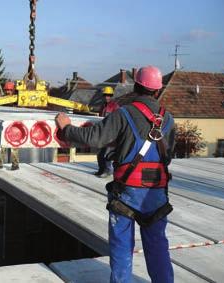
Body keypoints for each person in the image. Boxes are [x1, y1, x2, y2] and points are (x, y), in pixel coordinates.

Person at [55, 66, 175, 283]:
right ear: (158, 91)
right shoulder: (169, 120)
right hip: (156, 193)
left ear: (136, 87)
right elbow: (168, 155)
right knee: (158, 246)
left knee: (122, 248)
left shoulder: (123, 114)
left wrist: (66, 128)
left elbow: (93, 138)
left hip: (127, 192)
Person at [94, 86, 119, 178]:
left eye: (108, 95)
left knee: (107, 153)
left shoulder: (115, 106)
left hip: (111, 133)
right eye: (105, 95)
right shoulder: (103, 106)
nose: (106, 97)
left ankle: (108, 170)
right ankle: (101, 170)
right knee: (100, 153)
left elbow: (117, 120)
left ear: (111, 96)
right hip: (103, 132)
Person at [0, 81, 20, 170]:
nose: (8, 92)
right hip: (5, 126)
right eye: (6, 90)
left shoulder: (17, 100)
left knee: (14, 146)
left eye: (9, 90)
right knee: (2, 145)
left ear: (13, 90)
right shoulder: (2, 100)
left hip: (15, 127)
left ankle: (15, 164)